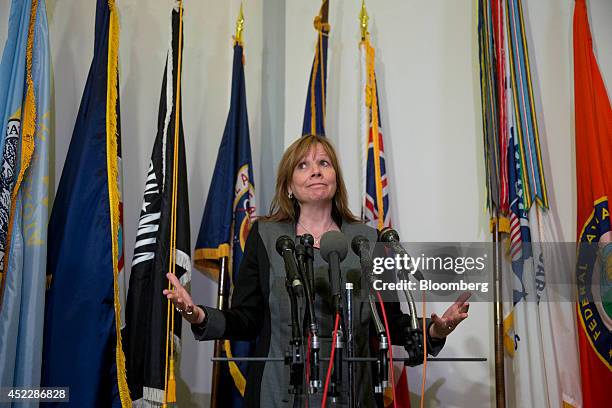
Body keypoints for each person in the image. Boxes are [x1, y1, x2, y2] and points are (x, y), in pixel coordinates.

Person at [164, 134, 470, 407]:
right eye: (303, 165)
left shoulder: (369, 240)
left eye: (324, 162)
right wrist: (197, 313)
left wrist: (435, 330)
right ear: (288, 186)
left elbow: (389, 323)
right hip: (279, 391)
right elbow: (248, 317)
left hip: (354, 391)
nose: (316, 170)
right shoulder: (266, 235)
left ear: (335, 179)